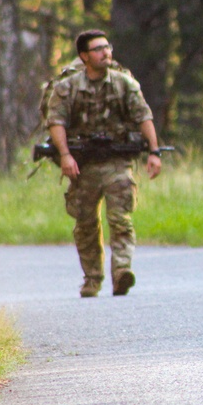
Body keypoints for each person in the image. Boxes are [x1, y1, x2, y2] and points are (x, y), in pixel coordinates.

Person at [46, 30, 163, 298]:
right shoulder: (67, 88)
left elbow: (144, 116)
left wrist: (154, 152)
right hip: (83, 165)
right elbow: (56, 122)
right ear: (84, 56)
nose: (105, 53)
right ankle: (92, 279)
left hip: (117, 162)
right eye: (98, 49)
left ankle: (122, 271)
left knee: (120, 219)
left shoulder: (124, 84)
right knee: (85, 224)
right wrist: (65, 155)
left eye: (107, 47)